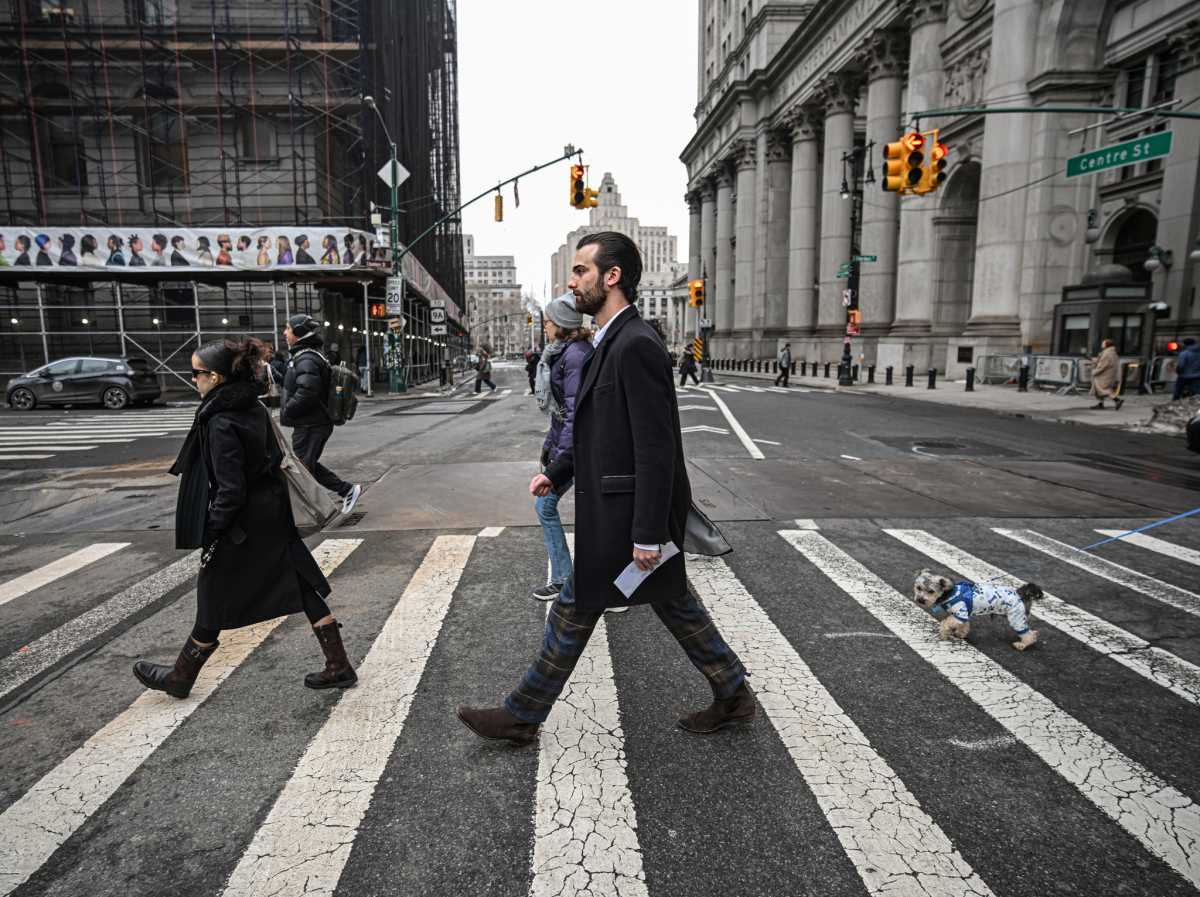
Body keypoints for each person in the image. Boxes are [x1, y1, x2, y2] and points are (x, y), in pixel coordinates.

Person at [457, 231, 754, 745]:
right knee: (655, 601)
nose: (571, 282)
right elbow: (600, 431)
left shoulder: (636, 344)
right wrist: (561, 472)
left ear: (610, 277)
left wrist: (647, 534)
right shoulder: (606, 341)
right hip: (612, 509)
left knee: (579, 604)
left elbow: (657, 449)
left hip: (627, 516)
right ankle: (732, 692)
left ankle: (522, 714)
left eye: (580, 271)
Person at [132, 336, 357, 699]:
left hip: (244, 524)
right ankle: (338, 664)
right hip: (271, 512)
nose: (193, 380)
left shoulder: (220, 421)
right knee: (300, 583)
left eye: (197, 373)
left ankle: (180, 676)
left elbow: (230, 488)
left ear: (216, 378)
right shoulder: (251, 407)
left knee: (212, 593)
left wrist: (214, 528)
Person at [530, 294, 593, 602]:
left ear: (563, 325)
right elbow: (559, 413)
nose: (545, 325)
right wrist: (548, 446)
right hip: (572, 450)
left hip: (583, 452)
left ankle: (574, 582)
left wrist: (559, 464)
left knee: (552, 507)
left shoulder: (575, 357)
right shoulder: (563, 353)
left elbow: (574, 414)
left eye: (549, 320)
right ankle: (572, 580)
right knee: (593, 518)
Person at [281, 314, 362, 515]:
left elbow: (307, 391)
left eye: (287, 328)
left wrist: (288, 408)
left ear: (298, 332)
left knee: (302, 469)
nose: (284, 332)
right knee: (305, 465)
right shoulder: (307, 356)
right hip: (310, 422)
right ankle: (345, 491)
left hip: (312, 423)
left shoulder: (306, 358)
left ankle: (317, 509)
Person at [1091, 338, 1123, 410]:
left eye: (1103, 343)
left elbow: (1103, 365)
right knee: (1099, 389)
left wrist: (1095, 371)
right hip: (1109, 374)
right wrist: (1096, 360)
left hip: (1104, 374)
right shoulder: (1111, 352)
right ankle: (1101, 404)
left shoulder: (1107, 353)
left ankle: (1117, 400)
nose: (1102, 344)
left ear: (1107, 345)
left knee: (1102, 388)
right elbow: (1103, 361)